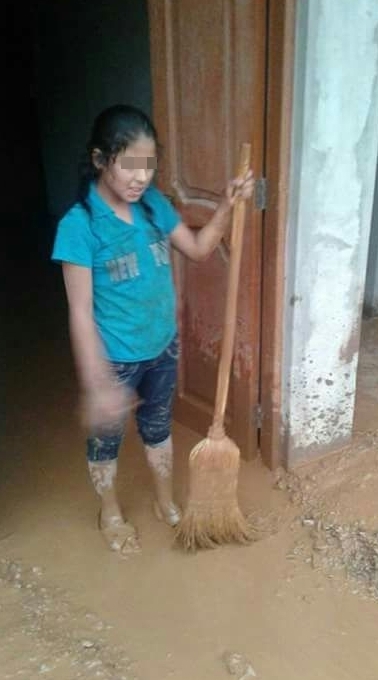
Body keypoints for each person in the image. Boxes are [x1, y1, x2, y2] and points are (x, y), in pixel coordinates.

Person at [52, 105, 254, 553]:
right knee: (106, 440)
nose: (141, 178)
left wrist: (227, 203)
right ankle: (111, 511)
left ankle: (165, 502)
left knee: (158, 428)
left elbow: (200, 248)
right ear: (102, 159)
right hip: (115, 358)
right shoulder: (79, 226)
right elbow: (80, 312)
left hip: (162, 348)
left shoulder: (153, 207)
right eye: (130, 165)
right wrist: (96, 382)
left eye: (149, 167)